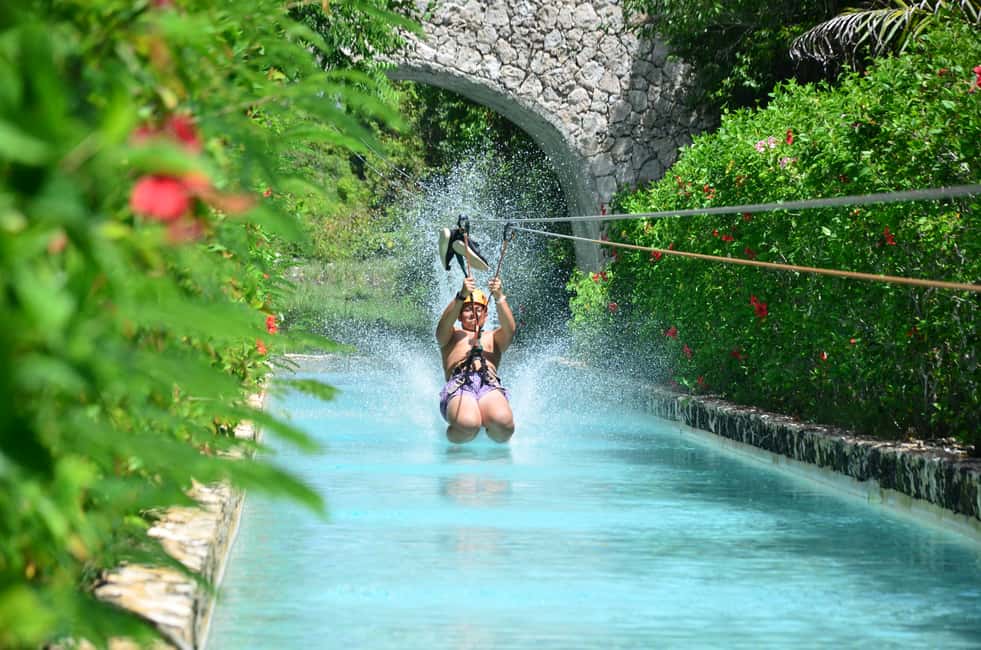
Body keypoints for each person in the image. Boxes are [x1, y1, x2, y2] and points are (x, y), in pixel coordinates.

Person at [436, 275, 516, 443]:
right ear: (459, 316)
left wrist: (499, 297)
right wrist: (461, 296)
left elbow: (510, 329)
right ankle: (455, 439)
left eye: (479, 309)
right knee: (468, 424)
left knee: (504, 425)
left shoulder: (494, 337)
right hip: (460, 384)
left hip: (488, 384)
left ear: (486, 315)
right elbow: (442, 326)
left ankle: (491, 446)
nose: (474, 312)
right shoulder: (452, 336)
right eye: (467, 309)